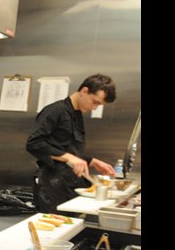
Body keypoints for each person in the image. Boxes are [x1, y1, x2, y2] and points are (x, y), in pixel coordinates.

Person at [26, 74, 117, 212]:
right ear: (84, 91)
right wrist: (69, 157)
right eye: (95, 102)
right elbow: (34, 143)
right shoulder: (55, 110)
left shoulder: (77, 114)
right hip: (51, 186)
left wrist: (92, 161)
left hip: (69, 184)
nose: (94, 108)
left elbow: (66, 149)